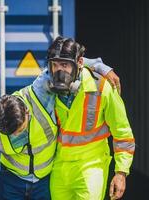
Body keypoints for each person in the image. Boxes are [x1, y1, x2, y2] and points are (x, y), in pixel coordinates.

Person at [0, 56, 119, 199]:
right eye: (11, 134)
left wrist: (101, 67)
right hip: (11, 181)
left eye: (20, 130)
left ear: (27, 112)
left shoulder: (39, 94)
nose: (15, 136)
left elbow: (66, 61)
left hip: (44, 181)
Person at [34, 36, 135, 200]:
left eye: (65, 65)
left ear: (79, 63)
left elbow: (122, 132)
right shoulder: (46, 88)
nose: (59, 71)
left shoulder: (102, 87)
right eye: (55, 65)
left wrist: (121, 172)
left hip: (91, 167)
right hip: (60, 167)